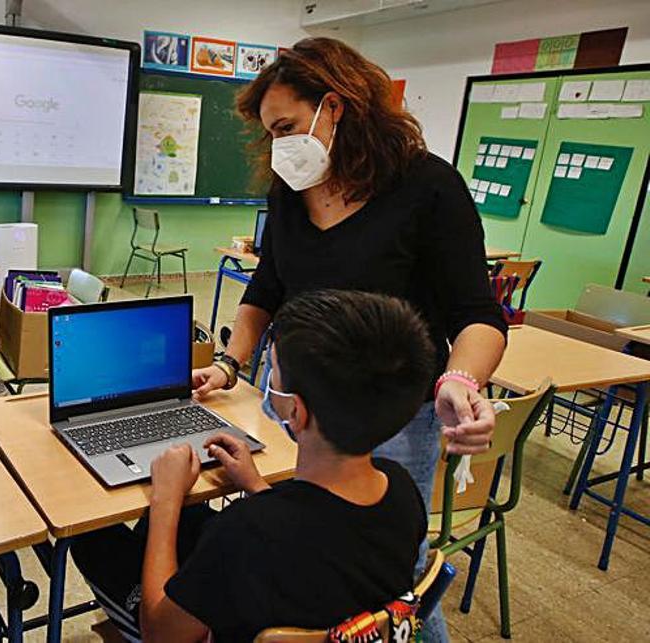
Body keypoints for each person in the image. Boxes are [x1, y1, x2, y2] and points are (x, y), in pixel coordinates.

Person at [191, 37, 506, 641]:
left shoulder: (428, 188)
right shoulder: (292, 190)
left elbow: (478, 314)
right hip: (295, 403)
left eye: (287, 126)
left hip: (392, 419)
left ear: (334, 106)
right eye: (272, 134)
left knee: (394, 575)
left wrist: (462, 381)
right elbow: (267, 289)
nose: (281, 145)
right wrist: (231, 364)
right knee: (305, 539)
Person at [72, 290, 434, 641]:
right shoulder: (402, 491)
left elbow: (161, 633)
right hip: (328, 611)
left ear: (296, 410)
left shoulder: (248, 532)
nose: (267, 383)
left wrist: (165, 498)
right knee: (195, 520)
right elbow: (323, 545)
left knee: (92, 540)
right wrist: (257, 486)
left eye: (272, 372)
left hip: (169, 629)